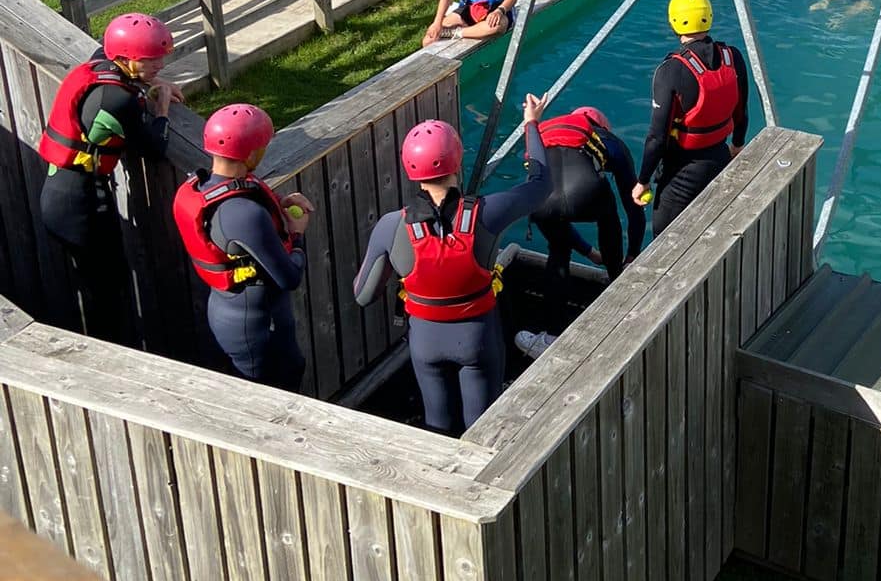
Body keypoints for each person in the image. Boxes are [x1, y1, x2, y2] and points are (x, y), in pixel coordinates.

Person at [352, 98, 551, 436]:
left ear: (410, 169)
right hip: (478, 336)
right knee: (482, 429)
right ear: (457, 160)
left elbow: (362, 295)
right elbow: (540, 185)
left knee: (437, 425)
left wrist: (399, 269)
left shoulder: (390, 226)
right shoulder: (488, 212)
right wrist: (532, 123)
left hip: (425, 340)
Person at [35, 12, 180, 341]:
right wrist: (162, 109)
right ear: (126, 59)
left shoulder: (104, 62)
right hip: (80, 205)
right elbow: (154, 148)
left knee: (101, 280)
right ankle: (108, 350)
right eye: (150, 60)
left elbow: (111, 59)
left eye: (160, 58)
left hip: (66, 190)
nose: (160, 65)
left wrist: (152, 81)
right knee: (105, 288)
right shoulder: (117, 100)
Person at [174, 104, 311, 390]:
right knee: (276, 388)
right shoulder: (243, 214)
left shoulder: (203, 187)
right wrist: (297, 236)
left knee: (289, 369)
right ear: (250, 153)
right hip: (257, 325)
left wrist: (279, 202)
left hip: (230, 308)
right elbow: (290, 277)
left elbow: (241, 207)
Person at [520, 104, 646, 356]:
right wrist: (632, 253)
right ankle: (618, 288)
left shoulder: (545, 131)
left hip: (540, 201)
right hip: (587, 192)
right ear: (600, 126)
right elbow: (634, 205)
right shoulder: (609, 141)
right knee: (609, 218)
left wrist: (588, 252)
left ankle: (550, 337)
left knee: (558, 251)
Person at [634, 0, 749, 237]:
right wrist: (737, 145)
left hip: (682, 172)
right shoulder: (733, 56)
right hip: (720, 157)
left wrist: (642, 180)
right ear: (709, 16)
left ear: (673, 22)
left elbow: (657, 137)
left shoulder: (671, 70)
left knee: (665, 242)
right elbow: (742, 111)